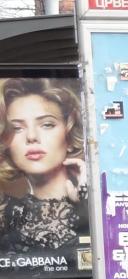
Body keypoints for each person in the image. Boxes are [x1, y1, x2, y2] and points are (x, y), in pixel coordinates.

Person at [0, 78, 88, 258]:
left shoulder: (106, 204)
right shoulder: (5, 215)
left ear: (70, 135)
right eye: (17, 128)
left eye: (47, 124)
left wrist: (87, 203)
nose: (31, 137)